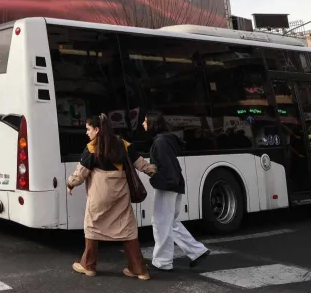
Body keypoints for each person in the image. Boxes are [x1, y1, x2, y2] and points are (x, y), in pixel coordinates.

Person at [67, 113, 156, 280]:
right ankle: (139, 270)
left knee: (92, 226)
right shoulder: (124, 144)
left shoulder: (92, 147)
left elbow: (80, 174)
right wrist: (154, 171)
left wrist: (70, 183)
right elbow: (141, 164)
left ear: (97, 129)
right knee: (128, 229)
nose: (87, 133)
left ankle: (89, 266)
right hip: (120, 194)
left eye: (88, 129)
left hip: (99, 194)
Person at [144, 113, 210, 271]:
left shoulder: (160, 142)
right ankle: (197, 251)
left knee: (161, 223)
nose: (143, 124)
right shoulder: (166, 140)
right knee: (169, 222)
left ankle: (163, 262)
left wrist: (156, 179)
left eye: (145, 121)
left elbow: (166, 167)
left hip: (168, 186)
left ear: (152, 123)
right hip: (174, 185)